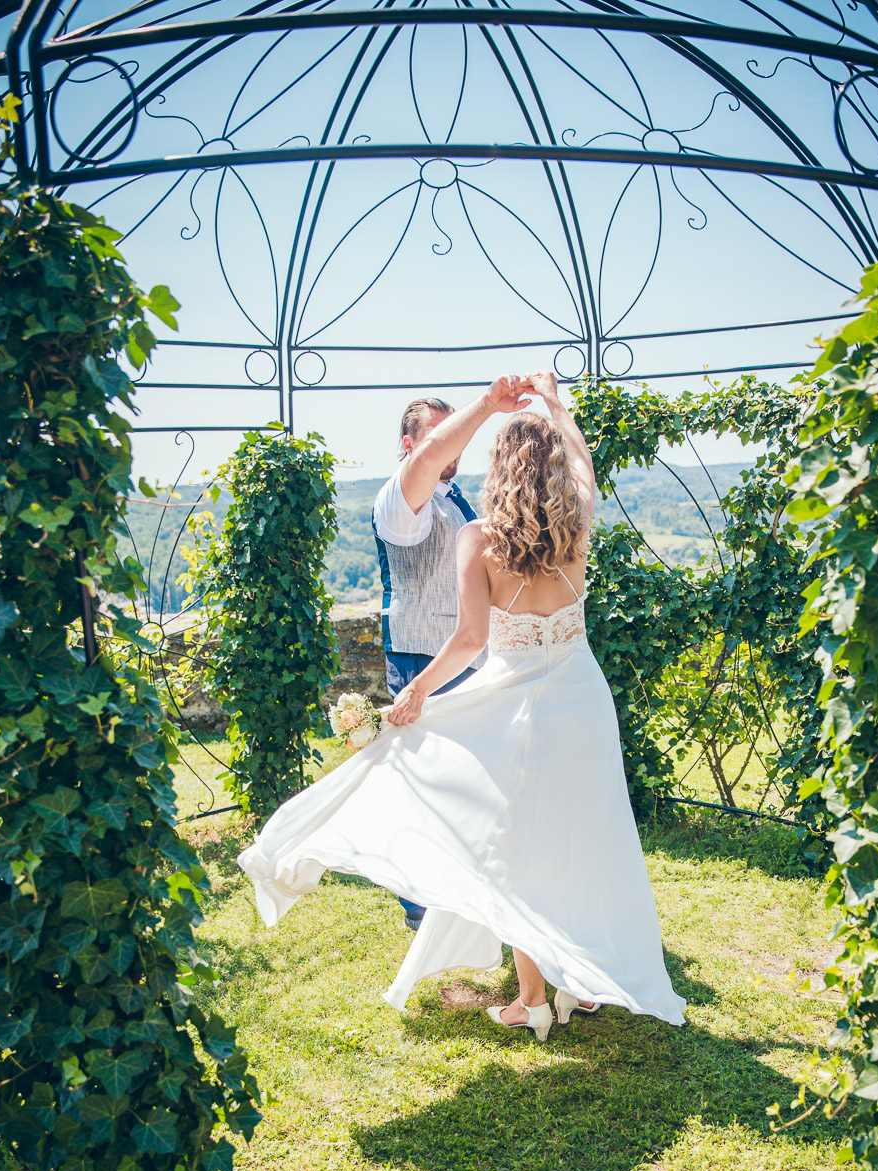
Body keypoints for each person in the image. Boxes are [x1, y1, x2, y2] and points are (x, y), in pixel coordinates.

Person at [239, 371, 686, 1038]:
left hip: (509, 709)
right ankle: (578, 985)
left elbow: (472, 637)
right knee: (580, 839)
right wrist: (557, 406)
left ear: (500, 470)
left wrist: (417, 690)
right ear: (556, 470)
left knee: (516, 849)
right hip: (581, 703)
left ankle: (534, 1000)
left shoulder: (476, 539)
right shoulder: (579, 523)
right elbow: (583, 461)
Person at [372, 379, 530, 930]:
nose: (453, 448)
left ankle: (466, 904)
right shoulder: (400, 495)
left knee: (467, 785)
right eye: (440, 436)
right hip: (423, 657)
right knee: (425, 788)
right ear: (410, 445)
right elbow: (436, 454)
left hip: (470, 657)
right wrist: (488, 404)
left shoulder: (453, 495)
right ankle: (424, 917)